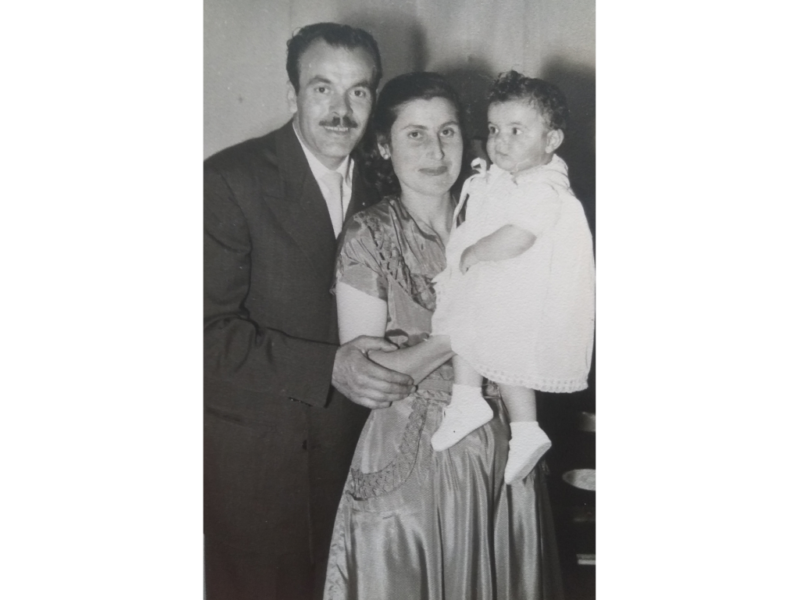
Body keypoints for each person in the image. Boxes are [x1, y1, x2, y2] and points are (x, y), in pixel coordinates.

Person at [323, 72, 563, 600]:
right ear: (383, 146)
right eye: (415, 134)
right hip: (414, 459)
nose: (436, 149)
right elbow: (372, 376)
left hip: (505, 451)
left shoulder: (500, 212)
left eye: (448, 131)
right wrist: (460, 333)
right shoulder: (371, 233)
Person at [204, 23, 414, 600]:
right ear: (292, 94)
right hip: (258, 476)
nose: (341, 111)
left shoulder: (387, 181)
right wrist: (328, 367)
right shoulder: (227, 180)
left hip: (361, 465)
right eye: (323, 89)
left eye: (359, 91)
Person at [430, 71, 596, 484]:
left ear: (552, 140)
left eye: (516, 131)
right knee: (498, 353)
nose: (500, 141)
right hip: (511, 291)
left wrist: (471, 255)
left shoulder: (544, 188)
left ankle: (479, 404)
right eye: (493, 129)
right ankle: (517, 426)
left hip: (516, 288)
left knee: (475, 330)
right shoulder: (515, 179)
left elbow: (518, 237)